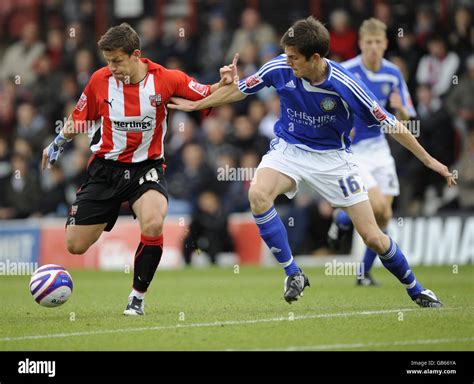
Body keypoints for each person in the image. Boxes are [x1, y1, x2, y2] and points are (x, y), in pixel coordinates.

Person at [168, 16, 456, 307]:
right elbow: (239, 89)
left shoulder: (346, 85)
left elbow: (393, 124)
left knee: (373, 237)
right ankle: (293, 272)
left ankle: (416, 289)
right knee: (258, 194)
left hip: (334, 160)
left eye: (294, 58)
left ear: (315, 58)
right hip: (290, 150)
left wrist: (431, 161)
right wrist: (197, 104)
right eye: (287, 55)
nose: (287, 61)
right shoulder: (279, 67)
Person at [41, 23, 235, 316]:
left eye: (117, 60)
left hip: (147, 167)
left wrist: (224, 83)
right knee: (75, 245)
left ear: (136, 55)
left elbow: (205, 93)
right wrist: (58, 142)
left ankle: (137, 298)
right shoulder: (99, 81)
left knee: (154, 223)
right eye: (108, 61)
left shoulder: (166, 79)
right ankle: (104, 214)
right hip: (105, 170)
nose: (112, 67)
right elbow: (80, 117)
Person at [327, 18, 417, 286]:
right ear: (361, 44)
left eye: (378, 42)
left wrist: (399, 109)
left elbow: (407, 117)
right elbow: (328, 105)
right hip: (354, 152)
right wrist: (341, 125)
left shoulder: (393, 73)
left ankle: (362, 270)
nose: (374, 48)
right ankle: (343, 218)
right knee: (376, 205)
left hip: (380, 149)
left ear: (386, 44)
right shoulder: (347, 70)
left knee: (385, 215)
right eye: (369, 43)